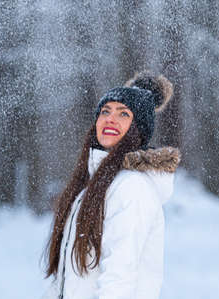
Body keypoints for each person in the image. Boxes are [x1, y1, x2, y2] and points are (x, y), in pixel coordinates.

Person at [42, 70, 180, 299]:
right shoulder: (92, 186)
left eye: (123, 114)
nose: (110, 119)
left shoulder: (132, 187)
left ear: (139, 128)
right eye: (105, 111)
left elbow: (119, 278)